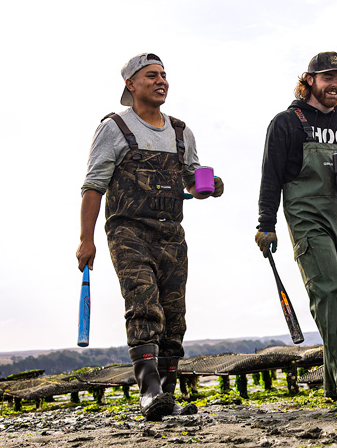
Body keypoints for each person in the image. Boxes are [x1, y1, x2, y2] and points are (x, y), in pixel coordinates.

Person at [76, 53, 223, 420]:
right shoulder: (114, 127)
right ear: (130, 84)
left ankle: (167, 397)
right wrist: (86, 239)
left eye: (164, 75)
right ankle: (149, 392)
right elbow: (93, 186)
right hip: (129, 230)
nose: (161, 81)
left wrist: (209, 187)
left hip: (171, 233)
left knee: (175, 316)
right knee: (144, 305)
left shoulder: (180, 132)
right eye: (151, 75)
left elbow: (192, 179)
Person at [255, 51, 337, 401]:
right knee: (331, 292)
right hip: (307, 217)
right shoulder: (287, 123)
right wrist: (266, 223)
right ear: (309, 79)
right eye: (328, 78)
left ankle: (334, 384)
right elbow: (271, 177)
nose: (335, 85)